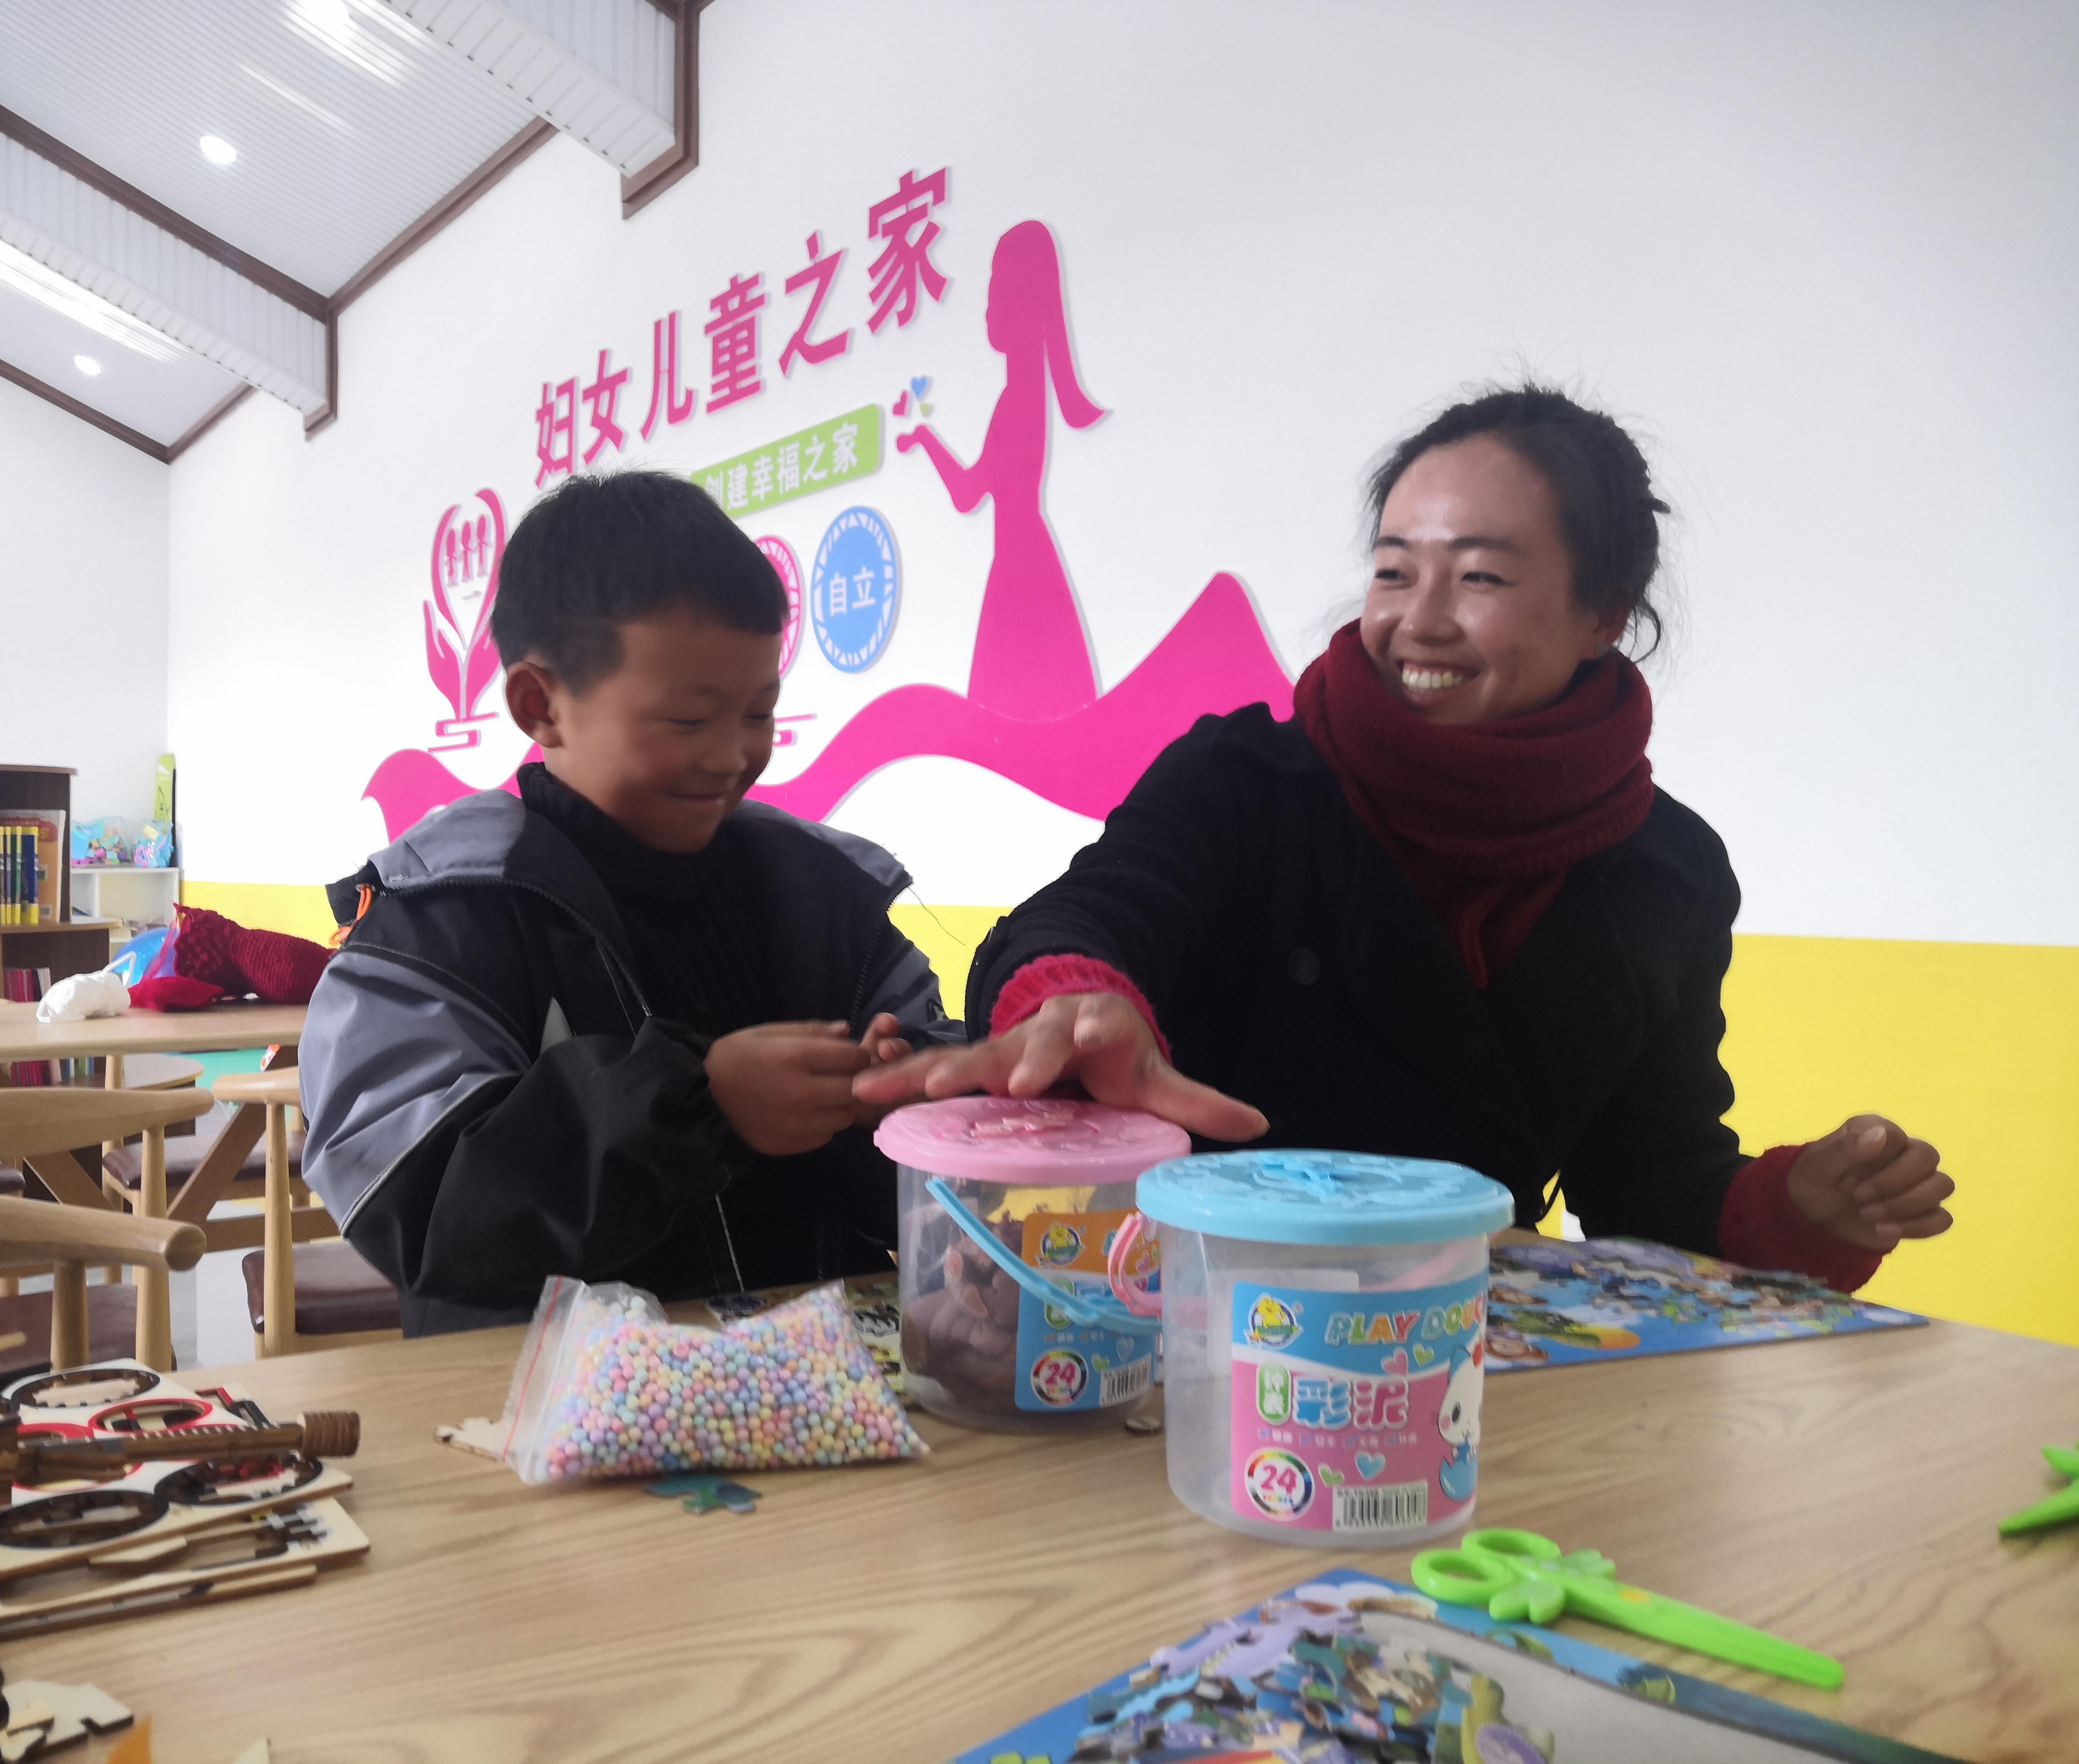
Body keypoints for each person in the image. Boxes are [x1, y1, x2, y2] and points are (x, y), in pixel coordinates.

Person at [857, 387, 1951, 1291]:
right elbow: (1096, 909)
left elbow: (1649, 1185)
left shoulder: (1666, 870)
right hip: (1181, 1323)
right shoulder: (1247, 780)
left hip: (1451, 1351)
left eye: (1479, 577)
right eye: (1393, 569)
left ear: (1604, 615)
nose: (1416, 620)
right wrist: (1073, 994)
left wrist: (1796, 1205)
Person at [301, 470, 958, 1334]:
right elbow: (413, 1201)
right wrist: (702, 1106)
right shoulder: (445, 917)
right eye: (688, 721)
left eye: (759, 714)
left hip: (815, 1380)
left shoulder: (829, 896)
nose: (732, 756)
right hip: (545, 1397)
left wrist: (899, 1099)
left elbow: (938, 1179)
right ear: (541, 706)